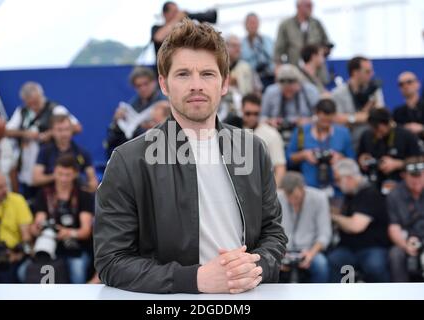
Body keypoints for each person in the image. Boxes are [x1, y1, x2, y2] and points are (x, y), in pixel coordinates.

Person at [94, 19, 287, 294]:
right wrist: (193, 279)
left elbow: (274, 234)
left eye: (207, 74)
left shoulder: (252, 149)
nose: (196, 85)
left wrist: (254, 266)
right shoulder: (128, 161)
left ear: (224, 83)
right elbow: (111, 261)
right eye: (183, 74)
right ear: (164, 83)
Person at [6, 82, 82, 200]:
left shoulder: (56, 109)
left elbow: (77, 127)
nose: (33, 106)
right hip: (28, 167)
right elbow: (7, 131)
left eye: (36, 102)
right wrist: (25, 133)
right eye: (30, 103)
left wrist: (51, 133)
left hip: (51, 162)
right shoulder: (22, 111)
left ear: (41, 96)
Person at [31, 155, 94, 284]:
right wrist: (38, 227)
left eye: (68, 175)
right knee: (24, 271)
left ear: (75, 174)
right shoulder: (44, 194)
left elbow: (85, 231)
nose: (63, 179)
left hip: (76, 249)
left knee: (77, 271)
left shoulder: (83, 195)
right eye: (60, 174)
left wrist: (68, 233)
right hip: (49, 248)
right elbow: (38, 221)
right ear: (54, 172)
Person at [328, 159, 390, 283]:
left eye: (338, 179)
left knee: (374, 267)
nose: (336, 184)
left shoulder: (370, 194)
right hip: (348, 248)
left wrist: (333, 217)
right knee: (334, 260)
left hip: (372, 247)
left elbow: (356, 226)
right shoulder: (350, 195)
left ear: (349, 178)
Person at [287, 99, 355, 195]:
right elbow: (288, 159)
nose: (326, 124)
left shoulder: (343, 133)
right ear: (316, 114)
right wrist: (304, 155)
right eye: (323, 120)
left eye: (329, 121)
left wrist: (340, 158)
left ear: (334, 116)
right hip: (308, 189)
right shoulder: (301, 132)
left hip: (336, 189)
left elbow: (352, 162)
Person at [278, 172, 331, 283]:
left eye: (296, 197)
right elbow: (270, 231)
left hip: (309, 249)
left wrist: (311, 253)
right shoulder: (277, 197)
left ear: (303, 188)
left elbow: (325, 234)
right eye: (289, 198)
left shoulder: (319, 198)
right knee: (267, 265)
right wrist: (277, 253)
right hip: (282, 250)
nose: (292, 201)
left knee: (321, 265)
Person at [358, 108, 421, 194]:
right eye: (374, 129)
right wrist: (362, 159)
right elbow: (359, 156)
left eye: (379, 130)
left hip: (401, 183)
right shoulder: (366, 136)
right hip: (374, 183)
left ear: (388, 123)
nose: (377, 134)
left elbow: (419, 161)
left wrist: (398, 164)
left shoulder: (407, 136)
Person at [106, 67, 167, 155]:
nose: (143, 88)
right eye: (139, 86)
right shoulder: (133, 103)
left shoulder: (164, 102)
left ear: (154, 82)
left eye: (146, 84)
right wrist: (117, 120)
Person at [33, 114, 97, 193]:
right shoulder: (45, 151)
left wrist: (84, 190)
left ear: (71, 130)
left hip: (77, 198)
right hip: (50, 197)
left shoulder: (82, 152)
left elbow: (93, 182)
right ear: (52, 131)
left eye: (67, 129)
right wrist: (60, 176)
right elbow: (36, 179)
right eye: (59, 130)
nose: (64, 134)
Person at [332, 56, 384, 149]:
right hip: (348, 143)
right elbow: (337, 120)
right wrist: (365, 116)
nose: (372, 74)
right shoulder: (338, 93)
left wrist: (350, 118)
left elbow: (380, 117)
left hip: (372, 143)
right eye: (367, 71)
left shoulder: (375, 90)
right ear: (355, 73)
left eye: (371, 71)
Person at [274, 0, 332, 84]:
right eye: (307, 5)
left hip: (317, 72)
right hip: (295, 70)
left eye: (311, 5)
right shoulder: (286, 25)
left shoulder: (317, 24)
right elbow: (278, 50)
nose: (311, 8)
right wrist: (278, 69)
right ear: (298, 7)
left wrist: (321, 52)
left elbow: (326, 43)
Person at [261, 64, 320, 143]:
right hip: (276, 134)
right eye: (285, 90)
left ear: (299, 83)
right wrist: (270, 121)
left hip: (305, 133)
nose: (288, 93)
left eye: (291, 90)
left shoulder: (310, 91)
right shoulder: (271, 92)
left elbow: (321, 116)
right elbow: (261, 117)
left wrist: (308, 121)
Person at [387, 156, 424, 282]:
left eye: (420, 175)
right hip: (407, 239)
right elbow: (394, 227)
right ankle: (400, 295)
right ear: (404, 175)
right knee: (395, 254)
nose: (416, 180)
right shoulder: (395, 194)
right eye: (413, 176)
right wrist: (405, 245)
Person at [241, 94, 286, 185]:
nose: (252, 117)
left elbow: (280, 167)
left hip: (262, 186)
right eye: (248, 113)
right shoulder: (232, 130)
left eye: (256, 114)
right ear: (241, 110)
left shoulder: (271, 134)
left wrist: (272, 194)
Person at [241, 13, 275, 90]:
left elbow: (275, 58)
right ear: (245, 25)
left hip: (270, 77)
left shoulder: (268, 40)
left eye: (255, 22)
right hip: (252, 80)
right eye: (250, 23)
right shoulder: (241, 44)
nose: (253, 25)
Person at [393, 72, 424, 142]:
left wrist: (421, 128)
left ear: (418, 84)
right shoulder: (397, 112)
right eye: (401, 84)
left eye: (409, 82)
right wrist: (404, 129)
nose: (405, 86)